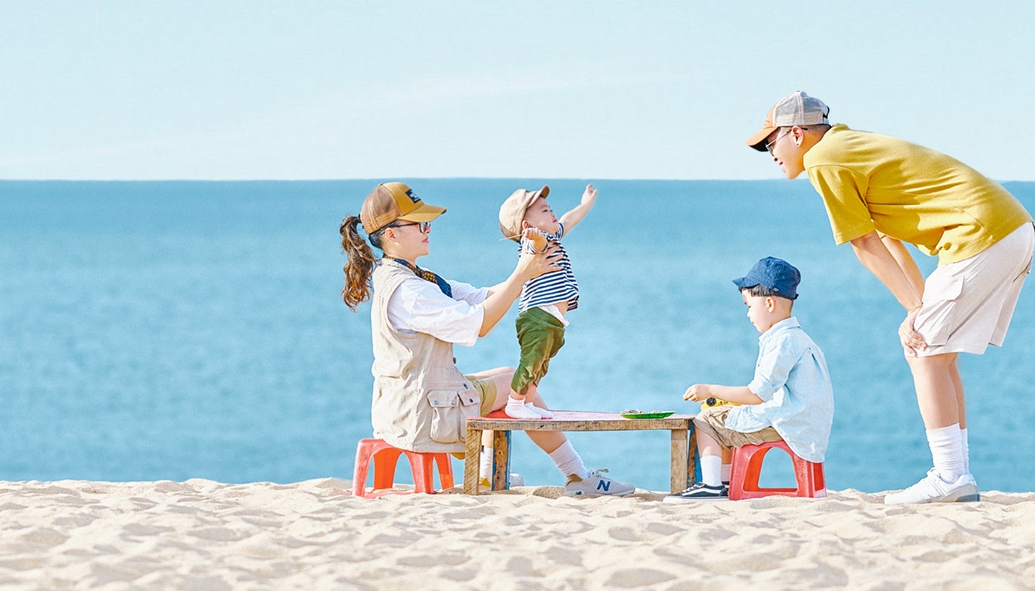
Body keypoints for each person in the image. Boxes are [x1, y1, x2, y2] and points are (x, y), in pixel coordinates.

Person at [749, 91, 1034, 504]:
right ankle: (957, 475)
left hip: (981, 235)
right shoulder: (850, 148)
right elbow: (886, 239)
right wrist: (917, 307)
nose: (770, 153)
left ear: (796, 134)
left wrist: (917, 310)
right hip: (1008, 229)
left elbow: (864, 243)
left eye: (771, 142)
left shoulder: (823, 160)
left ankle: (951, 476)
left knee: (924, 351)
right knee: (936, 351)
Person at [339, 182, 637, 497]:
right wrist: (522, 275)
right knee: (522, 387)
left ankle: (488, 474)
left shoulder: (407, 276)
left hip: (405, 402)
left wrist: (530, 274)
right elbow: (479, 323)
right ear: (392, 234)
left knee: (507, 376)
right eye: (420, 223)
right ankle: (576, 475)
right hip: (421, 413)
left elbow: (480, 296)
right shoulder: (410, 291)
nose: (429, 229)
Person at [674, 257, 833, 500]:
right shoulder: (800, 338)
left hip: (788, 424)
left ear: (769, 303)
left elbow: (757, 394)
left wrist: (710, 390)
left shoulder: (781, 342)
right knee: (727, 416)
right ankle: (725, 483)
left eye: (748, 306)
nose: (748, 314)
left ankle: (713, 484)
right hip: (805, 422)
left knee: (705, 420)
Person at [497, 182, 597, 419]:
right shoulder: (531, 242)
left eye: (550, 208)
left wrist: (585, 204)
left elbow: (568, 220)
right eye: (544, 210)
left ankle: (527, 402)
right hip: (537, 316)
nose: (552, 213)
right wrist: (536, 237)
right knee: (531, 361)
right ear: (527, 225)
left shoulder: (552, 236)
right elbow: (538, 244)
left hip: (552, 318)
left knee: (541, 365)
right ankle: (514, 403)